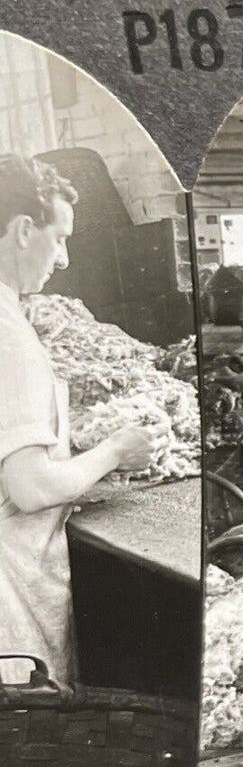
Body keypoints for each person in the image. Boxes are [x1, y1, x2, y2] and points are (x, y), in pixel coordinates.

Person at [0, 155, 159, 686]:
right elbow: (31, 485)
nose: (65, 259)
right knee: (31, 738)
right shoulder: (10, 337)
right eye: (60, 238)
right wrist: (116, 449)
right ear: (24, 230)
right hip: (10, 589)